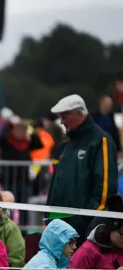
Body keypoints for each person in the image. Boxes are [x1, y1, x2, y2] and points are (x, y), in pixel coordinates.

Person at [46, 94, 118, 238]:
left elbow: (104, 189)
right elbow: (55, 186)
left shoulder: (101, 141)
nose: (61, 121)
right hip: (59, 227)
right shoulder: (64, 146)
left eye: (64, 116)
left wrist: (87, 219)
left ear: (79, 114)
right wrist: (49, 216)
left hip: (83, 229)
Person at [0, 116, 43, 208]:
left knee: (24, 207)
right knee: (8, 207)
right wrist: (9, 124)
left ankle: (23, 222)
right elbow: (1, 137)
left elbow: (39, 144)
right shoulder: (7, 142)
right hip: (8, 179)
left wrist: (30, 130)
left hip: (24, 179)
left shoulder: (27, 142)